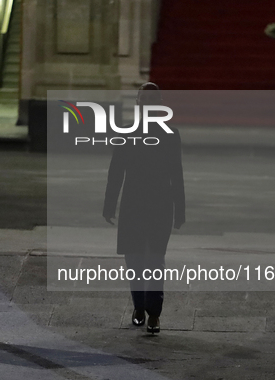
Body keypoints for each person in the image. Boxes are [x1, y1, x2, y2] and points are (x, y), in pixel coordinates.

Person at [103, 83, 185, 334]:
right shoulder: (126, 133)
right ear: (138, 102)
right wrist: (109, 204)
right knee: (135, 257)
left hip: (160, 202)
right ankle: (140, 305)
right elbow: (116, 170)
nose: (148, 102)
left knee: (156, 258)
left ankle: (154, 312)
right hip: (134, 202)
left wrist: (180, 210)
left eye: (152, 98)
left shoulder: (171, 134)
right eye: (144, 98)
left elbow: (176, 174)